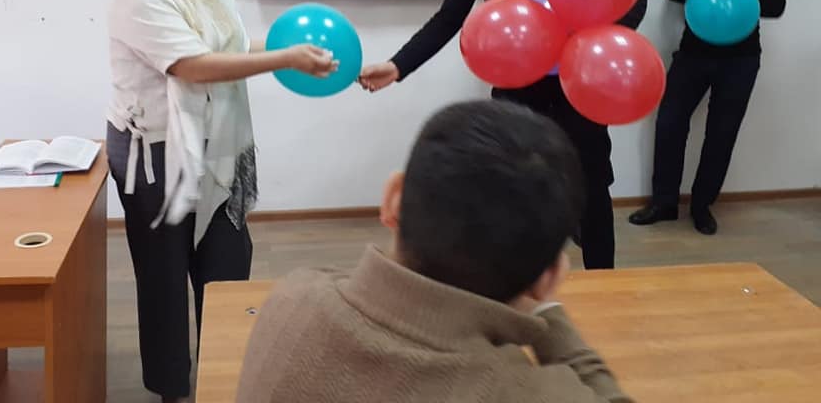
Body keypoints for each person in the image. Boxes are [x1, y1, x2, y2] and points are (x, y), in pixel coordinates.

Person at [359, 0, 647, 270]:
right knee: (515, 195)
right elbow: (450, 17)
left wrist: (597, 43)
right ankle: (517, 286)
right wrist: (398, 66)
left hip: (579, 88)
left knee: (591, 190)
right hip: (517, 94)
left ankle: (604, 287)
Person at [106, 0, 336, 402]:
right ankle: (172, 389)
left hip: (217, 145)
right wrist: (285, 58)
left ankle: (225, 376)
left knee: (228, 265)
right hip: (156, 151)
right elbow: (191, 65)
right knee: (164, 280)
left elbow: (228, 45)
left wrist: (300, 54)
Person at [234, 99, 632, 403]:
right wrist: (546, 311)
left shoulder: (292, 298)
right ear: (549, 278)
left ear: (393, 198)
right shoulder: (524, 391)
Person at [629, 0, 785, 235]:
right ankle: (664, 203)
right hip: (694, 51)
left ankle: (702, 206)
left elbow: (776, 6)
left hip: (742, 58)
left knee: (722, 132)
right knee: (670, 123)